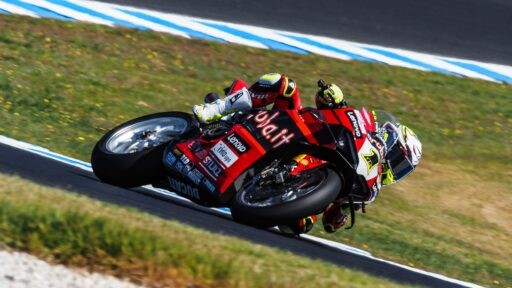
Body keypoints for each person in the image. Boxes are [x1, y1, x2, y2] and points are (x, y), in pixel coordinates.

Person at [193, 73, 422, 235]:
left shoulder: (369, 188)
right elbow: (328, 106)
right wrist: (334, 98)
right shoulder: (363, 129)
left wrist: (339, 215)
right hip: (291, 127)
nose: (396, 168)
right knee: (284, 84)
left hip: (296, 179)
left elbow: (331, 223)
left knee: (300, 226)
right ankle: (216, 110)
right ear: (390, 138)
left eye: (403, 169)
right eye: (400, 160)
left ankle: (264, 190)